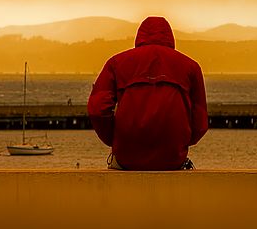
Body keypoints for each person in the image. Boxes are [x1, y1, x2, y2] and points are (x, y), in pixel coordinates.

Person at [87, 16, 208, 170]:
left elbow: (97, 109)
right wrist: (181, 142)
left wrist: (114, 140)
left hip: (127, 157)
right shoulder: (191, 67)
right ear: (170, 37)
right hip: (172, 158)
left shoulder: (116, 63)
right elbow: (200, 122)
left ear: (139, 36)